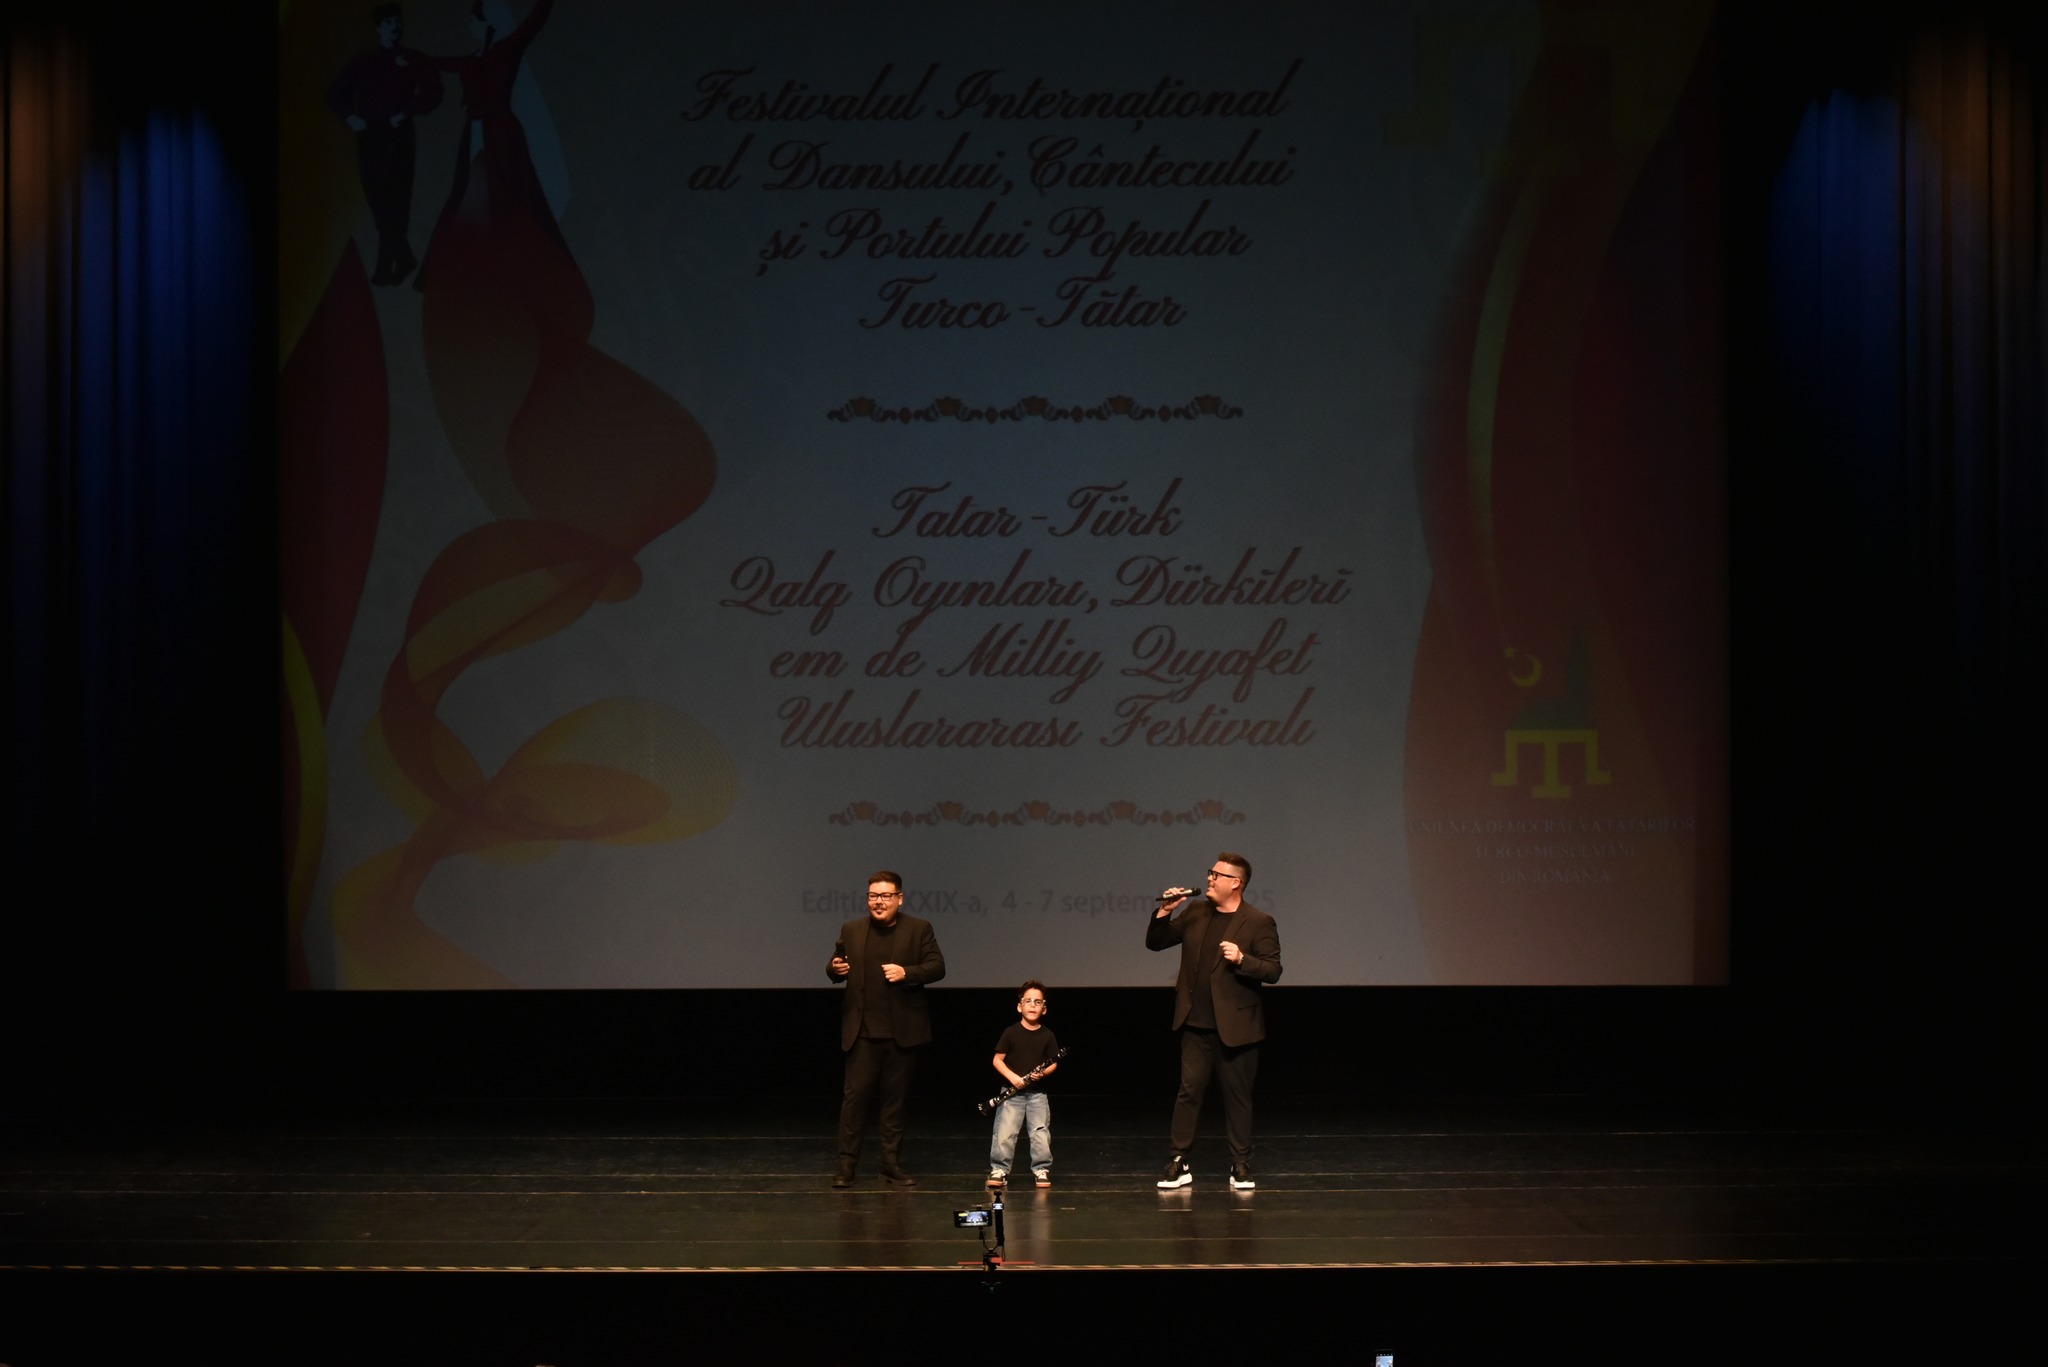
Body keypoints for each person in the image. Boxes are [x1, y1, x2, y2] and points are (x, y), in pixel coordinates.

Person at [1147, 852, 1281, 1191]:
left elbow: (1273, 970)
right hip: (1195, 1023)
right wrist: (1165, 911)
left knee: (1238, 1097)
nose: (1210, 878)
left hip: (1237, 1028)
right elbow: (1156, 942)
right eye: (1211, 872)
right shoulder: (1196, 911)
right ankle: (1179, 1160)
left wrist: (1243, 959)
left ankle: (1240, 1164)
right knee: (1188, 1093)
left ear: (1236, 883)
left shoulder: (1258, 921)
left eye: (1217, 874)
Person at [828, 870, 945, 1187]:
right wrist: (835, 968)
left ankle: (890, 1164)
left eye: (885, 896)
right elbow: (836, 963)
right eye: (873, 896)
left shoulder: (919, 929)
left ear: (899, 898)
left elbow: (937, 967)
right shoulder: (852, 929)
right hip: (862, 1033)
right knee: (854, 1102)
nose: (878, 902)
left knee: (895, 1103)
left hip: (901, 1033)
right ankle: (846, 1167)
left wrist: (907, 972)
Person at [327, 3, 443, 285]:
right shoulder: (365, 60)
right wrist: (351, 117)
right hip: (369, 135)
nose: (395, 26)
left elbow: (433, 91)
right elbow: (336, 92)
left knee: (396, 199)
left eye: (397, 21)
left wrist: (405, 113)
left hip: (398, 135)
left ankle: (386, 266)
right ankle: (402, 256)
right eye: (389, 22)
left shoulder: (412, 58)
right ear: (378, 27)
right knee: (377, 198)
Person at [986, 981, 1060, 1189]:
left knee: (1039, 1132)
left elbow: (1054, 1063)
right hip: (1012, 1094)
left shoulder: (1047, 1035)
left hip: (1037, 1094)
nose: (1032, 1005)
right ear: (1020, 1006)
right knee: (1005, 1131)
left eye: (1038, 1002)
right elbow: (997, 1060)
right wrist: (1012, 1078)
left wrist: (1042, 1074)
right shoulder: (1011, 1032)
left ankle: (1041, 1169)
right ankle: (999, 1169)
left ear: (1044, 1008)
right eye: (1028, 1001)